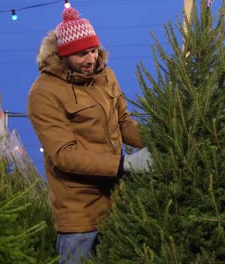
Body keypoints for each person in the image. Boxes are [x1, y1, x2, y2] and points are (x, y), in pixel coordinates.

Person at [27, 6, 152, 264]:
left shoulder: (105, 76)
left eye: (94, 50)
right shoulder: (44, 93)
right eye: (82, 53)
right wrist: (125, 163)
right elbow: (64, 155)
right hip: (79, 213)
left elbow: (124, 123)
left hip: (119, 204)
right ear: (63, 55)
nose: (91, 59)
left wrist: (163, 137)